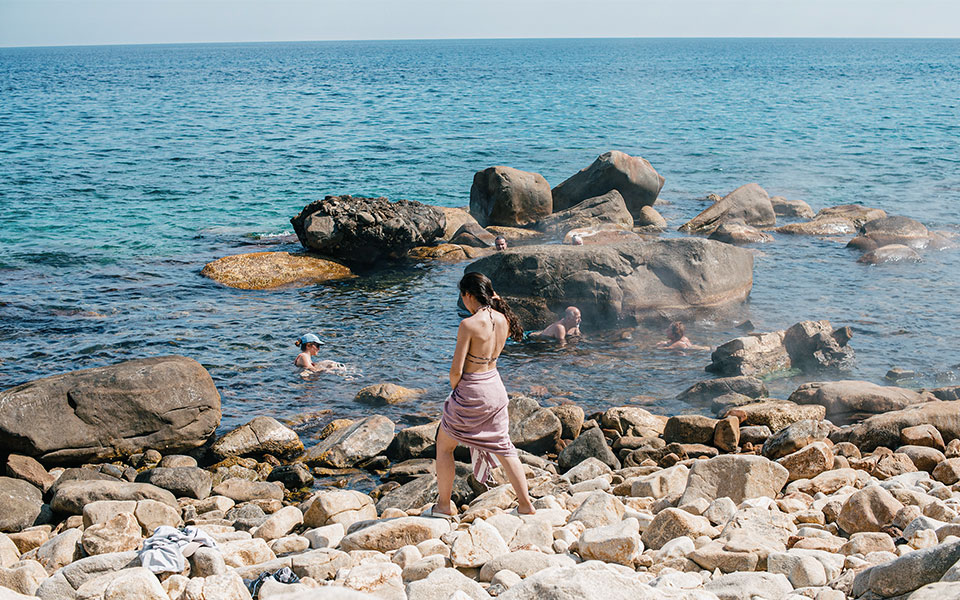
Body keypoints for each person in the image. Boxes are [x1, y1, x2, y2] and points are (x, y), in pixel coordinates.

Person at [430, 272, 536, 519]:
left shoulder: (468, 325)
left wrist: (456, 391)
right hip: (495, 387)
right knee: (504, 447)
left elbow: (456, 371)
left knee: (444, 446)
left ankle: (443, 506)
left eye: (462, 296)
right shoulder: (503, 319)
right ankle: (525, 504)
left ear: (468, 295)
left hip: (473, 389)